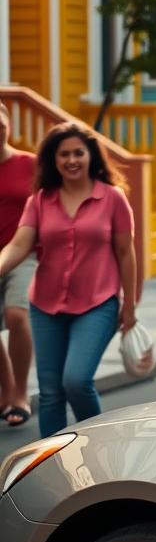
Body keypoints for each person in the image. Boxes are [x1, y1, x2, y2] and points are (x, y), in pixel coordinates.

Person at [0, 122, 138, 437]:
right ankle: (49, 467)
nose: (72, 160)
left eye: (79, 153)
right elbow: (20, 244)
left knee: (76, 380)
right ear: (54, 159)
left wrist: (129, 305)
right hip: (46, 305)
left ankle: (101, 442)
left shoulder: (113, 198)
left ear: (91, 156)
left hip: (97, 303)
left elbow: (126, 253)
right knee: (50, 394)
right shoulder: (40, 200)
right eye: (64, 154)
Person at [0, 101, 36, 427]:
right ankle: (7, 390)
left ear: (8, 124)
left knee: (16, 314)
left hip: (24, 254)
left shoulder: (30, 164)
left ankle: (21, 394)